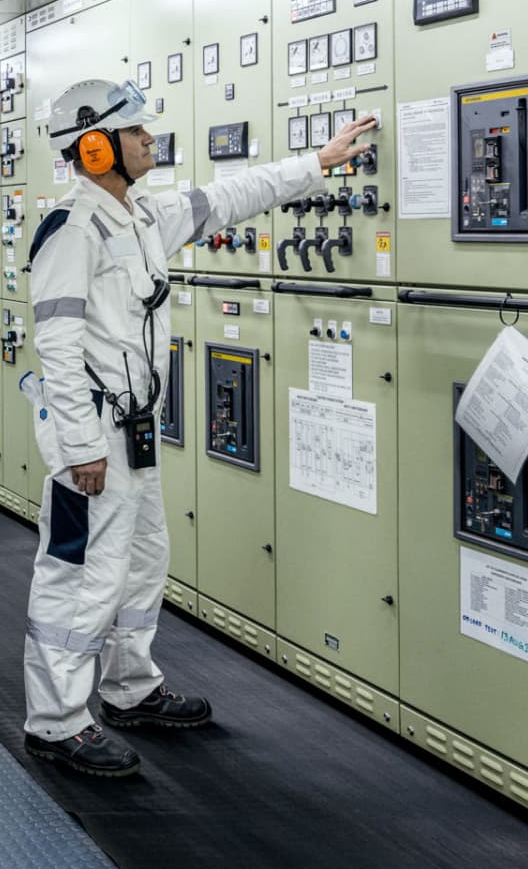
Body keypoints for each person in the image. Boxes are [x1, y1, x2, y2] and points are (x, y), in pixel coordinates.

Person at [22, 78, 379, 777]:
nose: (150, 139)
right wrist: (81, 448)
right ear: (95, 147)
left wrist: (320, 162)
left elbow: (234, 195)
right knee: (81, 575)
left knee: (143, 559)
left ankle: (129, 689)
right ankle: (56, 722)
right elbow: (57, 348)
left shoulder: (145, 217)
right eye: (136, 132)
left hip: (134, 430)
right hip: (93, 437)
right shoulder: (72, 230)